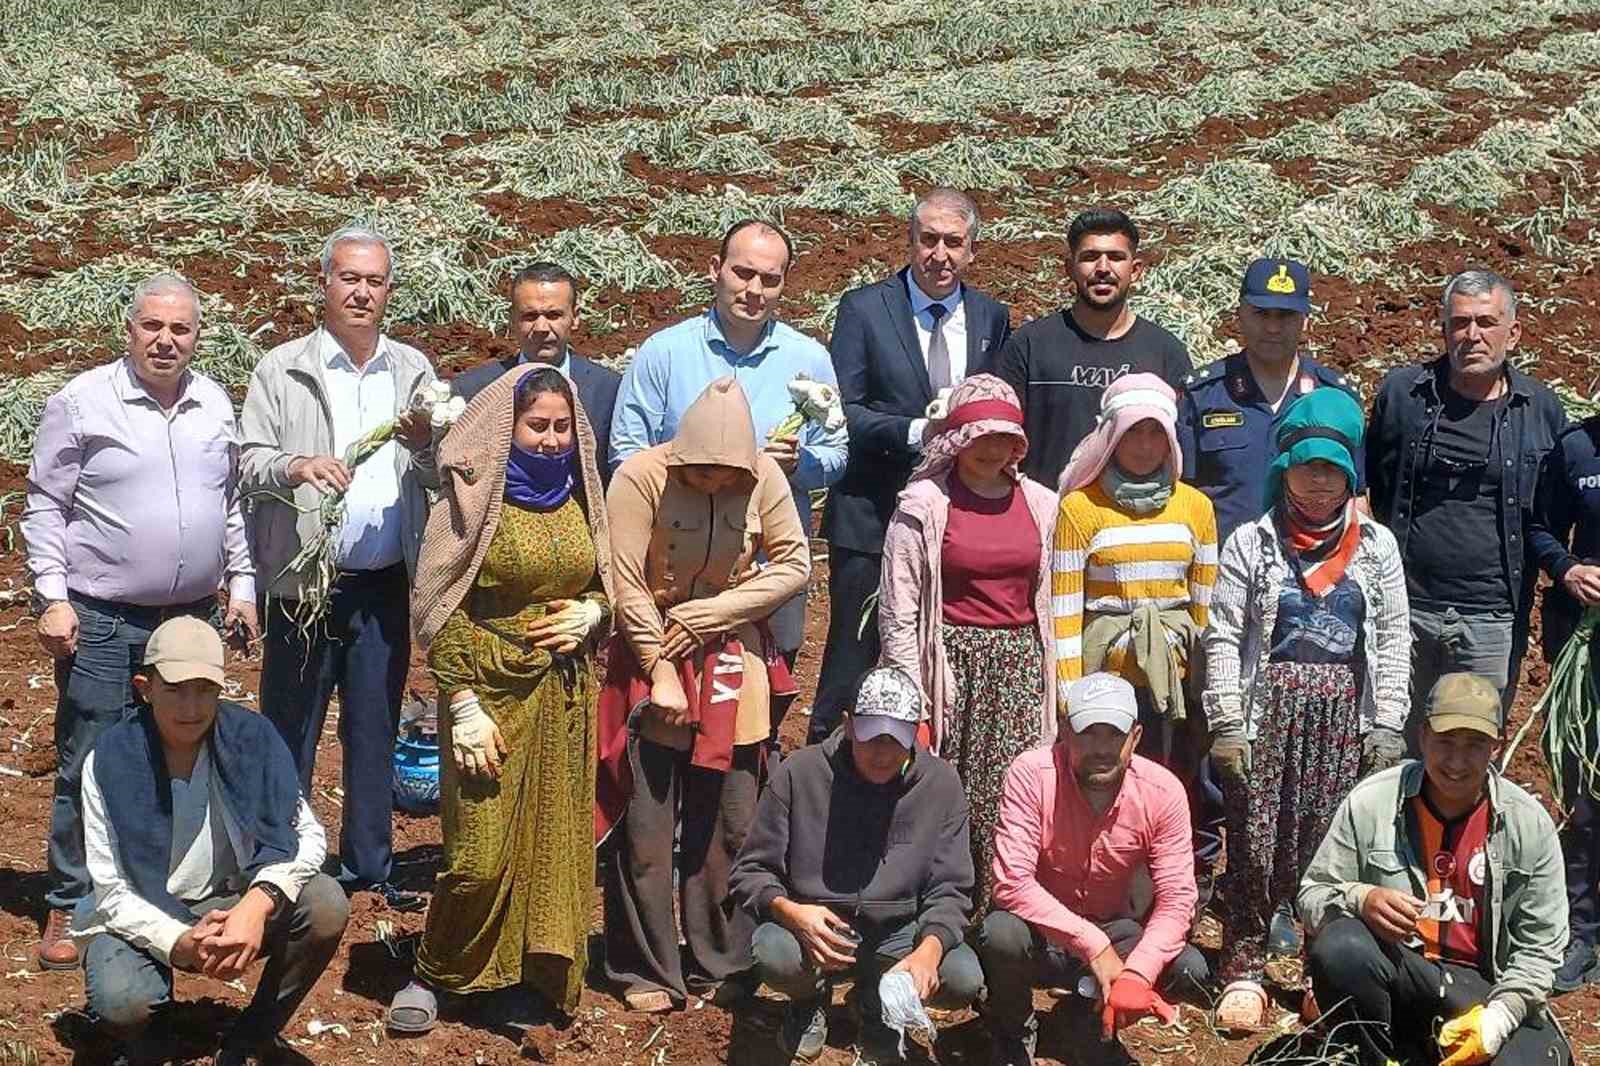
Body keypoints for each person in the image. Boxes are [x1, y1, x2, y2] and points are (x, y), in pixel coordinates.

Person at [22, 273, 258, 972]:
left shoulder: (214, 402)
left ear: (197, 335)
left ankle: (165, 887)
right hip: (102, 615)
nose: (166, 340)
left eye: (180, 329)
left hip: (189, 620)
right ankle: (72, 897)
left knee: (182, 750)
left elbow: (232, 503)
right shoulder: (83, 402)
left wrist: (241, 585)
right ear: (129, 330)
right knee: (89, 756)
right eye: (153, 326)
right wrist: (52, 595)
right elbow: (44, 506)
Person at [385, 367, 613, 1033]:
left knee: (555, 843)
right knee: (479, 853)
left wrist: (593, 614)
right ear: (506, 428)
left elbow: (608, 580)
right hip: (487, 692)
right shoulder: (472, 498)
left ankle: (525, 974)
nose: (548, 440)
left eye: (560, 427)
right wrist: (459, 703)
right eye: (535, 425)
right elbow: (439, 601)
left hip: (564, 694)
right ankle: (434, 971)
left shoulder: (582, 496)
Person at [239, 223, 437, 912]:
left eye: (374, 280)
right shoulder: (283, 368)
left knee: (374, 725)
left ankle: (368, 864)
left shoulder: (413, 371)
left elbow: (445, 472)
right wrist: (296, 465)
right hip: (302, 584)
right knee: (290, 723)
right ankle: (285, 861)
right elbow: (248, 459)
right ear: (324, 284)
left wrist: (426, 447)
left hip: (382, 582)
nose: (361, 291)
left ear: (389, 291)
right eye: (348, 278)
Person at [599, 377, 810, 1012]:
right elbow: (622, 575)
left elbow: (795, 561)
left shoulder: (764, 476)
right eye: (703, 472)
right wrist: (658, 664)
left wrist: (714, 613)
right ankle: (645, 968)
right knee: (647, 820)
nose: (717, 482)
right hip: (650, 651)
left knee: (728, 818)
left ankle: (722, 956)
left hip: (730, 659)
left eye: (728, 474)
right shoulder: (640, 476)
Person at [1202, 388, 1410, 1030]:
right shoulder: (1252, 544)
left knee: (1332, 852)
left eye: (1332, 471)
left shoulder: (1375, 547)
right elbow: (1224, 634)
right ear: (1283, 468)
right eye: (1306, 468)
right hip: (1268, 719)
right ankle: (1244, 967)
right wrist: (1228, 722)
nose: (1318, 485)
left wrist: (1387, 724)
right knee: (1255, 845)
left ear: (1349, 475)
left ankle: (1326, 972)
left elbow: (1394, 637)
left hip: (1341, 724)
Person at [71, 617, 348, 1066]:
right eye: (176, 689)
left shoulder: (253, 739)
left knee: (325, 904)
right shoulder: (109, 760)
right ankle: (149, 1033)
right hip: (144, 908)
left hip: (231, 900)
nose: (191, 706)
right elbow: (111, 888)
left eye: (204, 689)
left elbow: (308, 835)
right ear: (145, 687)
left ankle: (254, 1036)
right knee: (123, 1001)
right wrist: (180, 941)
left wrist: (257, 904)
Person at [610, 219, 846, 744]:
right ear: (715, 270)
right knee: (660, 706)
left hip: (761, 573)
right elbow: (626, 451)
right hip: (669, 575)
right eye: (742, 274)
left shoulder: (808, 358)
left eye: (770, 279)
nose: (754, 291)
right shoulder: (664, 353)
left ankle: (736, 804)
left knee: (759, 694)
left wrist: (796, 465)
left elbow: (837, 455)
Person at [812, 188, 1013, 744]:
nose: (940, 254)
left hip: (958, 520)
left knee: (937, 650)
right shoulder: (864, 309)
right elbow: (842, 410)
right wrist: (918, 433)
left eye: (954, 242)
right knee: (854, 655)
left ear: (972, 250)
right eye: (928, 240)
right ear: (910, 242)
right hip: (872, 517)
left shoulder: (991, 318)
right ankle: (825, 771)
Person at [1298, 673, 1573, 1066]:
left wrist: (1499, 1018)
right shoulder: (1372, 801)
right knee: (1343, 946)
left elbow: (1540, 949)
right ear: (1423, 736)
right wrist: (1361, 898)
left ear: (1496, 746)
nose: (1457, 762)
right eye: (1444, 742)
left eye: (1475, 745)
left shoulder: (1528, 825)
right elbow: (1312, 894)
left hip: (1484, 991)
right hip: (1400, 974)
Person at [730, 667, 984, 1064]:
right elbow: (751, 872)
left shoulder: (941, 785)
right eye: (871, 738)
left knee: (962, 975)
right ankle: (808, 999)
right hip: (818, 926)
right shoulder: (800, 773)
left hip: (899, 929)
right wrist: (792, 913)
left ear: (915, 733)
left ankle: (875, 1004)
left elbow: (951, 888)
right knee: (772, 951)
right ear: (849, 726)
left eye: (894, 740)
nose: (882, 754)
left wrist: (929, 951)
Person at [876, 374, 1057, 912]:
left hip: (1019, 665)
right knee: (945, 788)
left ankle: (1006, 914)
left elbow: (1054, 596)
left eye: (1004, 438)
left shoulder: (1043, 504)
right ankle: (943, 911)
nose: (992, 449)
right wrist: (912, 692)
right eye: (980, 437)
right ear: (956, 439)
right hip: (948, 663)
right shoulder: (924, 505)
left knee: (1012, 793)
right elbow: (899, 607)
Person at [1366, 269, 1566, 748]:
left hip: (1493, 616)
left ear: (1512, 333)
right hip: (1406, 609)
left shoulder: (1540, 409)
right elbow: (1374, 479)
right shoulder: (1403, 395)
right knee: (1396, 742)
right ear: (1444, 329)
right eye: (1460, 323)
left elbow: (1552, 513)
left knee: (1469, 748)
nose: (1472, 335)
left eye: (1486, 322)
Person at [978, 673, 1208, 1066]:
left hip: (1118, 931)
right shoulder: (1031, 774)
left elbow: (1178, 898)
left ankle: (1091, 1017)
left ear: (1135, 737)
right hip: (1042, 931)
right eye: (1087, 734)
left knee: (1190, 969)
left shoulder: (1163, 790)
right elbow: (1011, 883)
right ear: (1065, 732)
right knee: (1001, 933)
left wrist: (1137, 973)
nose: (1101, 749)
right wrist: (1091, 943)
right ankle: (1012, 1026)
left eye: (1113, 735)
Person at [992, 208, 1190, 487]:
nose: (1103, 269)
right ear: (1069, 268)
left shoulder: (1166, 353)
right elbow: (1000, 438)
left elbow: (1180, 446)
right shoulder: (1029, 345)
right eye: (1090, 257)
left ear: (1135, 270)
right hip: (1048, 515)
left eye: (1116, 257)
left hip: (1134, 519)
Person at [1175, 257, 1362, 546]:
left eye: (1285, 316)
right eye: (1261, 313)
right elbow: (1181, 495)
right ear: (1240, 314)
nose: (1273, 328)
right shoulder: (1203, 394)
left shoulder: (1336, 400)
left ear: (1305, 319)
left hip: (1311, 574)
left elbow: (1356, 498)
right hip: (1222, 571)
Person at [1529, 412, 1600, 992]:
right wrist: (1567, 567)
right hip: (1586, 653)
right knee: (1583, 794)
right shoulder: (1577, 448)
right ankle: (1581, 927)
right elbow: (1539, 526)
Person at [451, 262, 622, 483]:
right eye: (530, 316)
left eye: (553, 315)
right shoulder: (474, 391)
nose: (541, 328)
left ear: (575, 317)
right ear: (512, 319)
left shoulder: (609, 392)